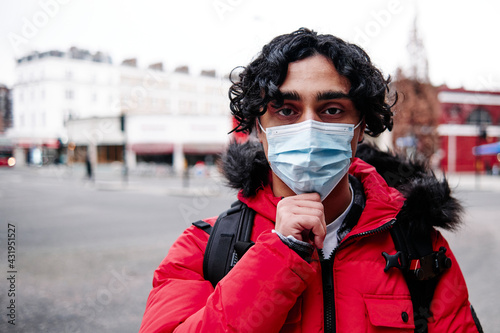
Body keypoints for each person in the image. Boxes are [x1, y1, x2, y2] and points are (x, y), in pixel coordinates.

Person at [139, 28, 482, 332]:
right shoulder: (202, 249)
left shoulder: (419, 248)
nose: (308, 128)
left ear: (361, 127)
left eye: (331, 110)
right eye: (286, 110)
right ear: (258, 128)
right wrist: (278, 255)